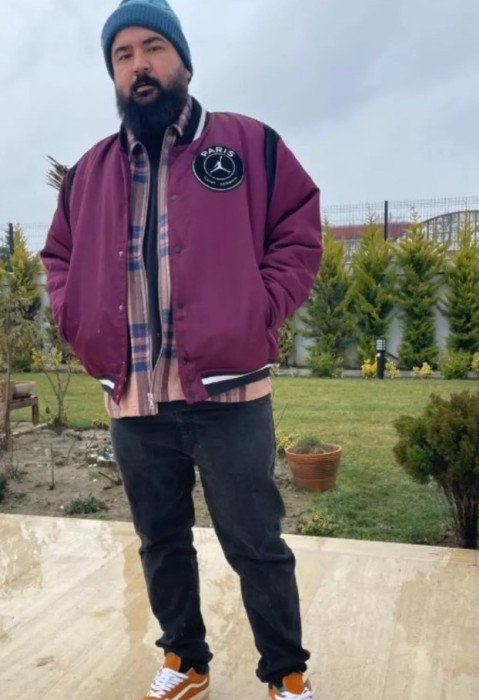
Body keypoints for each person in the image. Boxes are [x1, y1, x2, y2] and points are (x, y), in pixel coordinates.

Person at [41, 1, 322, 698]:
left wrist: (261, 307)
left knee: (255, 542)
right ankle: (185, 659)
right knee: (161, 540)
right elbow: (59, 261)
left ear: (184, 63)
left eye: (153, 48)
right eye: (123, 55)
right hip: (135, 397)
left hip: (230, 393)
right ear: (113, 73)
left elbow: (298, 228)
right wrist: (77, 323)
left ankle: (285, 672)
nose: (139, 65)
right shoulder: (89, 173)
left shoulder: (249, 144)